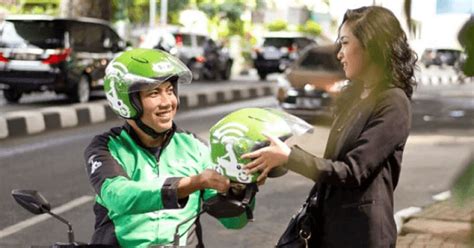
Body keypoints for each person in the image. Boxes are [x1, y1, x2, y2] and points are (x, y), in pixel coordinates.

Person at [243, 6, 417, 247]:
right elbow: (330, 167)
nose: (339, 54)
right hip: (329, 228)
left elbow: (352, 171)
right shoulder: (355, 95)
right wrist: (277, 160)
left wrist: (290, 158)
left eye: (345, 43)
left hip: (362, 236)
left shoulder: (393, 102)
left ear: (373, 46)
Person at [84, 48, 252, 248]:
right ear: (126, 102)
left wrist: (243, 187)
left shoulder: (195, 147)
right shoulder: (106, 147)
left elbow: (233, 221)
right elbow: (119, 197)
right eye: (154, 93)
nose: (167, 102)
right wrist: (191, 183)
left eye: (170, 91)